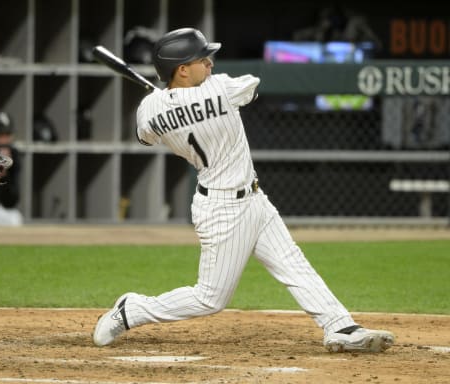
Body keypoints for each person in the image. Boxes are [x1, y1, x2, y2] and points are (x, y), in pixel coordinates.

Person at [93, 28, 394, 353]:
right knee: (210, 298)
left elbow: (146, 137)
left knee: (293, 262)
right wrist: (191, 100)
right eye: (201, 59)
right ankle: (133, 310)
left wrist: (168, 103)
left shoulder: (148, 109)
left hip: (252, 198)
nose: (209, 63)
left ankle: (340, 326)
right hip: (222, 209)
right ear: (182, 70)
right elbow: (251, 87)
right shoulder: (221, 88)